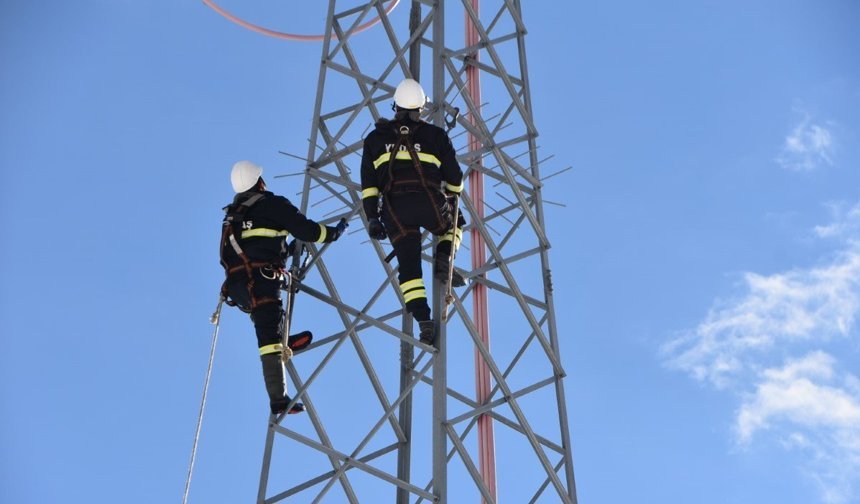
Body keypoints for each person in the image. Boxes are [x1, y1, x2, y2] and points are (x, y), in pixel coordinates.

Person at [219, 160, 348, 415]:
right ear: (260, 182)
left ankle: (282, 341)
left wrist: (285, 252)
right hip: (262, 281)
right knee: (268, 338)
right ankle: (278, 399)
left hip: (238, 286)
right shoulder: (272, 203)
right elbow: (308, 230)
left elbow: (251, 247)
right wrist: (332, 234)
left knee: (267, 325)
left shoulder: (232, 216)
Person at [360, 78, 466, 347]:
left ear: (395, 106)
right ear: (421, 108)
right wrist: (451, 197)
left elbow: (369, 187)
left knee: (409, 268)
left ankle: (424, 321)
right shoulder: (436, 136)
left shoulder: (374, 139)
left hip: (395, 210)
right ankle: (444, 258)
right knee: (455, 222)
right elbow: (455, 179)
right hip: (429, 201)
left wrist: (372, 218)